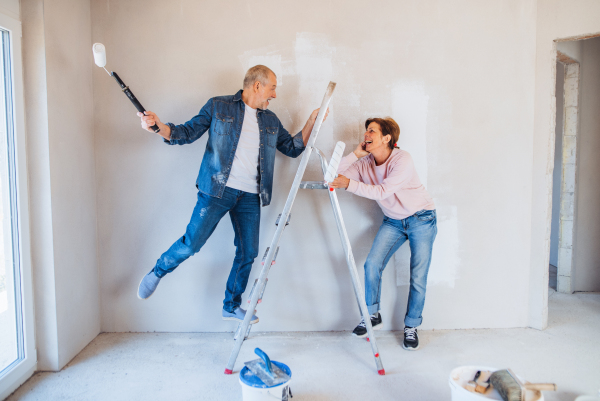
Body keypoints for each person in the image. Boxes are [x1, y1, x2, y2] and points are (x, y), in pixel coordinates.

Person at [136, 65, 327, 325]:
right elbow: (186, 132)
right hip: (216, 190)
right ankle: (158, 270)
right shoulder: (218, 106)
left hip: (250, 196)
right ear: (257, 85)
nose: (274, 94)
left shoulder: (270, 120)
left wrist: (311, 122)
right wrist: (159, 127)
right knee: (192, 244)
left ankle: (230, 305)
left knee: (248, 252)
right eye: (272, 87)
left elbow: (292, 148)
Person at [329, 117, 436, 350]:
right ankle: (372, 315)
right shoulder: (364, 162)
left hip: (422, 219)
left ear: (387, 138)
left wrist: (349, 184)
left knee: (418, 276)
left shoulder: (402, 159)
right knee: (372, 264)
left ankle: (411, 326)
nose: (366, 134)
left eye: (372, 131)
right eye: (366, 130)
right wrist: (355, 155)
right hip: (394, 221)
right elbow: (331, 172)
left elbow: (383, 191)